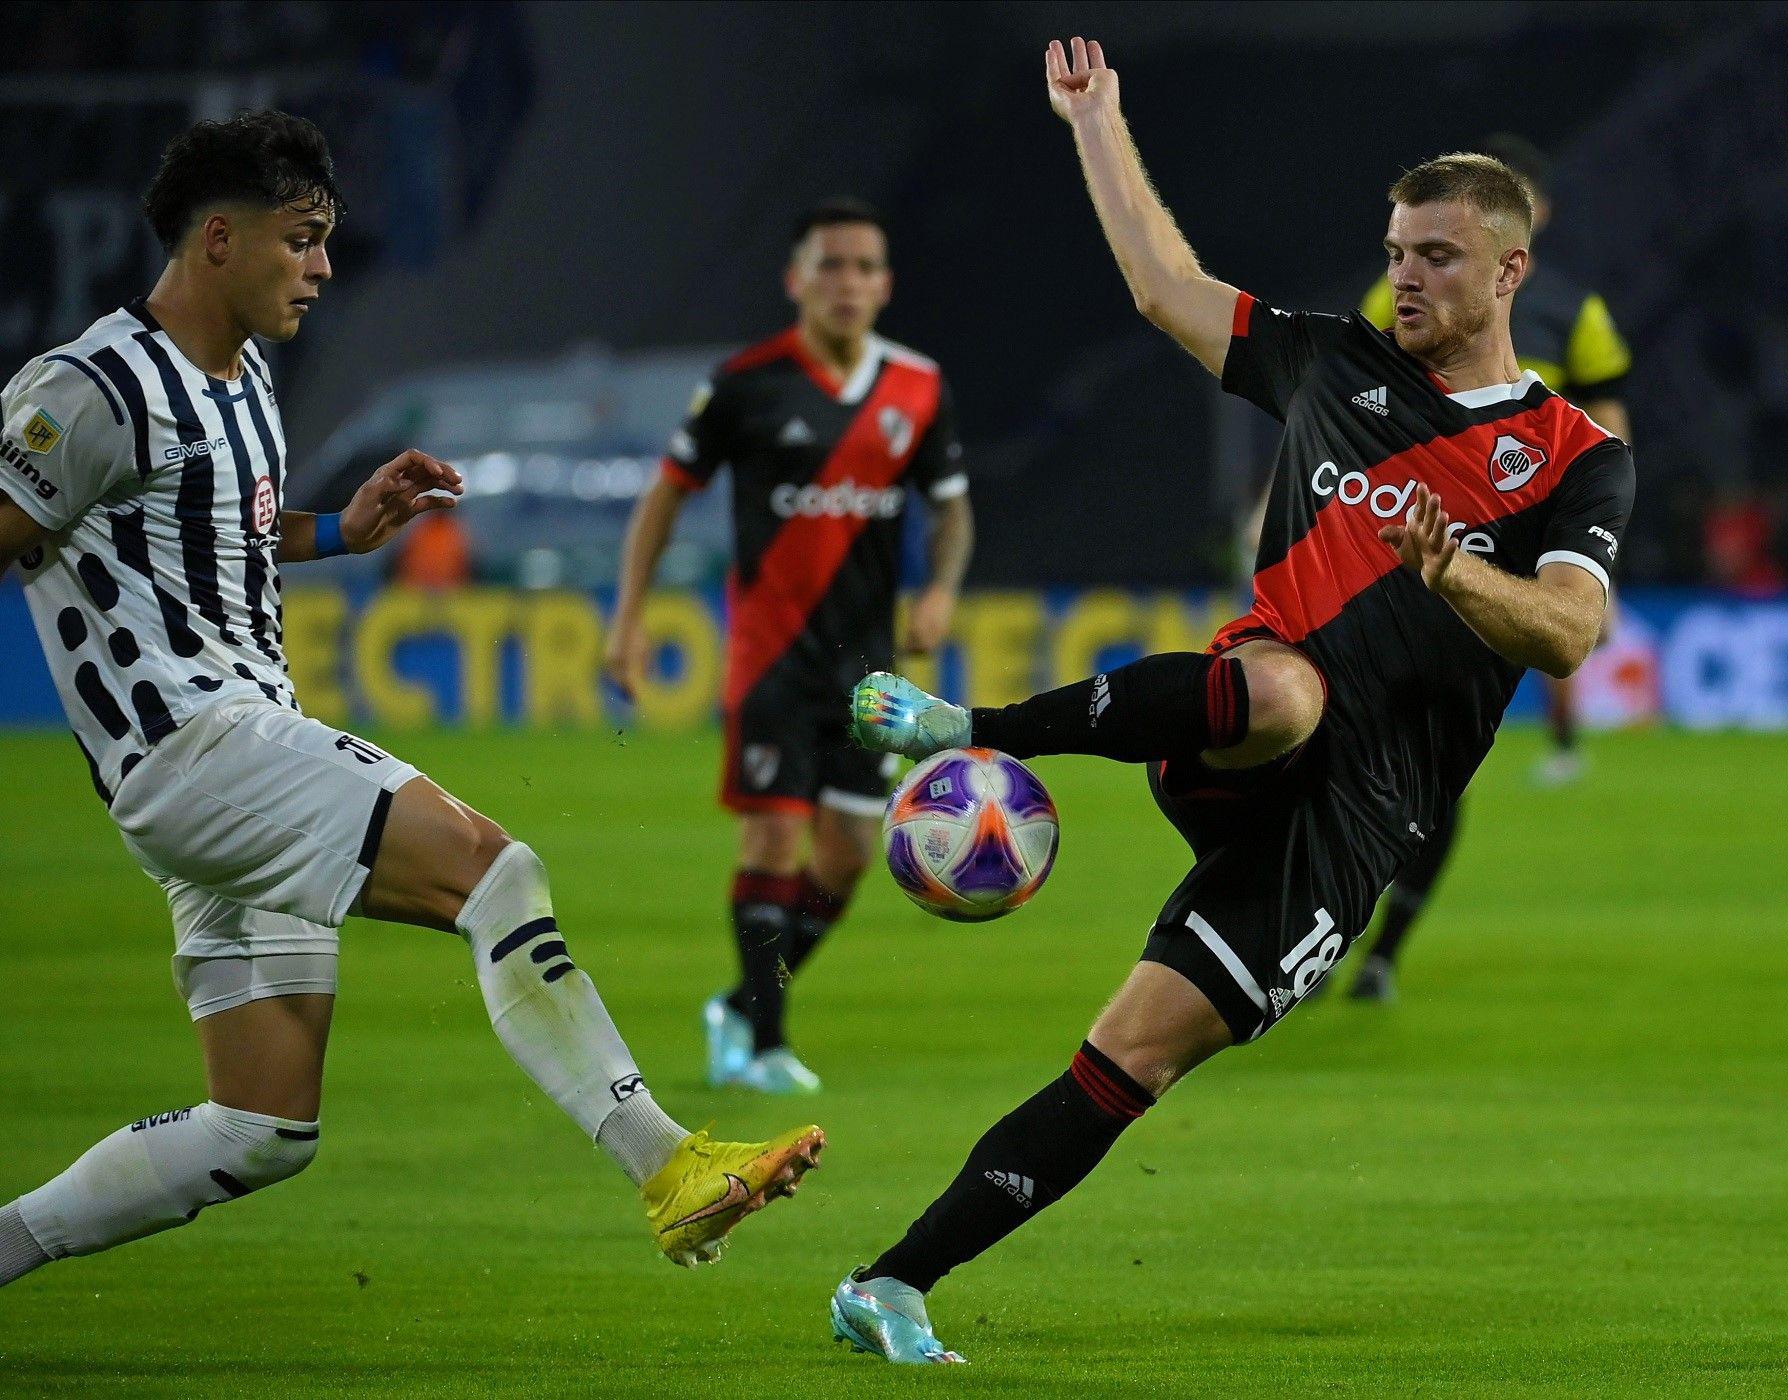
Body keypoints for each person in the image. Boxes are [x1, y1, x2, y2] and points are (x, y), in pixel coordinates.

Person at [825, 38, 1634, 1364]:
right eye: (1394, 248)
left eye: (1436, 253)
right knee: (1284, 690)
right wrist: (1097, 120)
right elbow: (1160, 286)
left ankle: (890, 1284)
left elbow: (1567, 629)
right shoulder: (1328, 367)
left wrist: (1452, 571)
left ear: (1508, 270)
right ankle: (963, 730)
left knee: (1129, 1058)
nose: (1405, 273)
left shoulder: (1571, 459)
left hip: (1359, 821)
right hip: (1239, 726)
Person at [0, 111, 820, 1292]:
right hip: (196, 743)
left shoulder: (241, 377)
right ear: (219, 238)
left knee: (261, 1125)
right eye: (303, 239)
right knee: (496, 870)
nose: (324, 267)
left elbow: (210, 530)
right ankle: (666, 1166)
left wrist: (342, 527)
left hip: (219, 755)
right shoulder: (90, 387)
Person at [605, 199, 973, 1096]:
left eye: (862, 267)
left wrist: (940, 589)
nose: (846, 283)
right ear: (796, 279)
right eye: (830, 265)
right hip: (769, 658)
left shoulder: (918, 387)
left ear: (884, 285)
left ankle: (738, 1003)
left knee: (846, 857)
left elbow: (954, 504)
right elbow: (664, 496)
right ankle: (765, 1045)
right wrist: (628, 616)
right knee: (773, 839)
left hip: (868, 673)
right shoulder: (746, 384)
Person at [1344, 134, 1637, 1002]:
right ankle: (1316, 926)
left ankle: (1383, 948)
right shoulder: (1401, 296)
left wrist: (1595, 554)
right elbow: (1341, 399)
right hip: (1398, 538)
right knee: (1344, 744)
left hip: (1502, 560)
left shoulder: (1576, 308)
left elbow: (1608, 418)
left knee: (1434, 756)